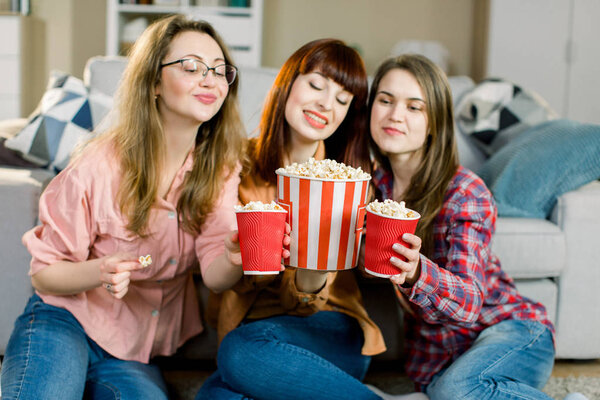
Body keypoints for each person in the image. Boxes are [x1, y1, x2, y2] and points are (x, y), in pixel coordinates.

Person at [0, 14, 245, 399]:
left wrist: (234, 254)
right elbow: (44, 274)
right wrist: (101, 270)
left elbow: (216, 272)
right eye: (190, 67)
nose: (209, 79)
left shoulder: (222, 169)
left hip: (130, 349)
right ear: (153, 84)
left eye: (218, 70)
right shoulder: (98, 165)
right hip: (62, 319)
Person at [196, 39, 386, 400]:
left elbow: (309, 298)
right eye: (316, 85)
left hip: (329, 327)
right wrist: (237, 253)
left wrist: (313, 259)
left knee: (238, 352)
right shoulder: (234, 162)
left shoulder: (351, 179)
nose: (326, 104)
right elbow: (218, 277)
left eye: (342, 100)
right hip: (253, 330)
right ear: (287, 83)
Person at [366, 53, 556, 399]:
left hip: (510, 331)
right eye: (385, 100)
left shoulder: (465, 192)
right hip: (439, 355)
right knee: (447, 390)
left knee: (455, 391)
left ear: (434, 122)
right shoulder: (372, 187)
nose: (395, 115)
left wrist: (416, 271)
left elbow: (469, 304)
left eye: (414, 107)